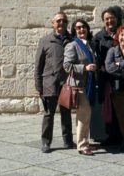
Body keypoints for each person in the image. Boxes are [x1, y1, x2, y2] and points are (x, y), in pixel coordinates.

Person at [35, 12, 74, 153]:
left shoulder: (71, 40)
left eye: (64, 21)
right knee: (48, 114)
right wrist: (38, 86)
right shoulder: (45, 41)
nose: (61, 23)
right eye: (58, 21)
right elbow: (38, 66)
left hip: (66, 83)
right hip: (49, 83)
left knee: (66, 113)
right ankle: (46, 142)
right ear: (53, 23)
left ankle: (68, 141)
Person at [92, 7, 124, 146]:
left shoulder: (122, 33)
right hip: (106, 78)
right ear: (103, 21)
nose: (109, 20)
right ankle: (108, 136)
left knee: (121, 107)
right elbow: (95, 55)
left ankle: (122, 136)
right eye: (106, 18)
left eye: (112, 17)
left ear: (116, 19)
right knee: (107, 108)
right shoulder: (99, 37)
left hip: (121, 76)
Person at [63, 19, 97, 155]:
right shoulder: (72, 45)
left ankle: (85, 142)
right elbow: (66, 66)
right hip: (79, 86)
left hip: (88, 84)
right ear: (74, 31)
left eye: (83, 27)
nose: (81, 30)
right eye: (78, 28)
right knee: (83, 115)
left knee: (86, 114)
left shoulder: (88, 45)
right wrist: (85, 67)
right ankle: (82, 146)